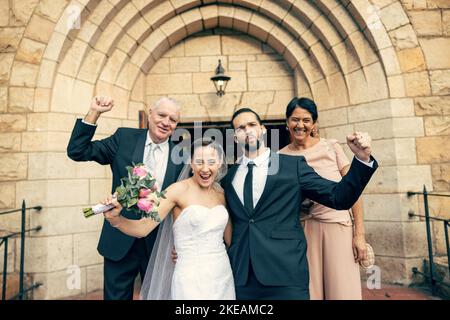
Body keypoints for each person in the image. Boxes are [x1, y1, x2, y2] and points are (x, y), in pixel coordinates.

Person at [221, 107, 377, 300]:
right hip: (242, 278)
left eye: (252, 125)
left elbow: (338, 197)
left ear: (262, 130)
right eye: (241, 128)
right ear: (235, 138)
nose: (248, 131)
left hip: (285, 275)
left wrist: (362, 160)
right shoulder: (228, 179)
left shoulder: (292, 166)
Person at [67, 96, 185, 300]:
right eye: (162, 115)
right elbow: (78, 151)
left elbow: (184, 204)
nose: (166, 122)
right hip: (119, 239)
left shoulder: (182, 155)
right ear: (150, 114)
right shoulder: (124, 138)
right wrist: (94, 112)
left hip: (159, 243)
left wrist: (180, 243)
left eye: (173, 120)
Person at [102, 138, 236, 300]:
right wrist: (116, 219)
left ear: (219, 163)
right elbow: (143, 228)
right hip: (190, 275)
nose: (205, 168)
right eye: (199, 161)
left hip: (221, 273)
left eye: (211, 162)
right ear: (191, 164)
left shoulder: (221, 194)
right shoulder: (176, 191)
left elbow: (230, 239)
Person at [279, 97, 366, 300]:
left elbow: (354, 191)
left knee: (342, 291)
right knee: (310, 292)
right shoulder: (279, 157)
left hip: (338, 229)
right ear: (287, 123)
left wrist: (359, 235)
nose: (300, 125)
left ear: (314, 124)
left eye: (306, 120)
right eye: (295, 119)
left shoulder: (331, 147)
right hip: (303, 233)